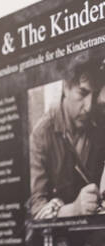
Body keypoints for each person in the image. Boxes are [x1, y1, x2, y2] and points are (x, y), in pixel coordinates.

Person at [29, 55, 105, 219]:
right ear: (65, 87)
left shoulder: (100, 122)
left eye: (95, 94)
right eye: (82, 93)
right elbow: (36, 210)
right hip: (59, 240)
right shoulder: (41, 135)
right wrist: (74, 210)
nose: (89, 106)